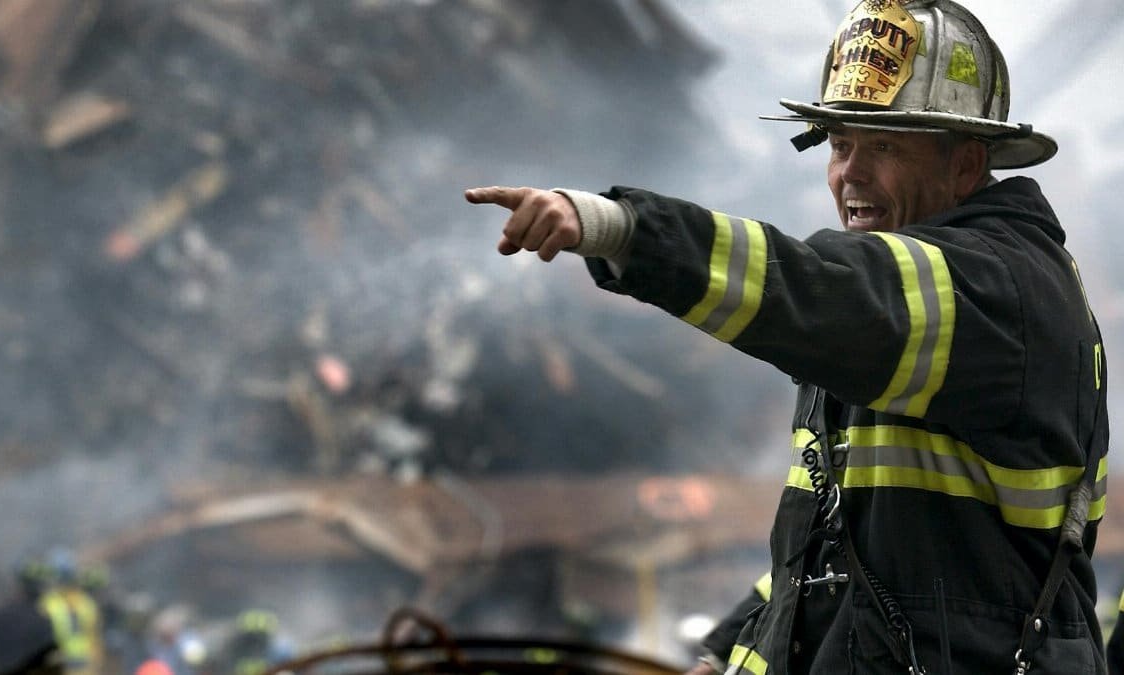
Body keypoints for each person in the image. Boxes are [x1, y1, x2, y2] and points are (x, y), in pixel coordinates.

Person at [465, 0, 1108, 673]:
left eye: (884, 145)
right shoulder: (899, 329)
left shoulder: (995, 289)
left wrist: (624, 228)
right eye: (839, 144)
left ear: (966, 166)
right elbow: (827, 558)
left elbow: (820, 286)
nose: (850, 174)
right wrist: (727, 657)